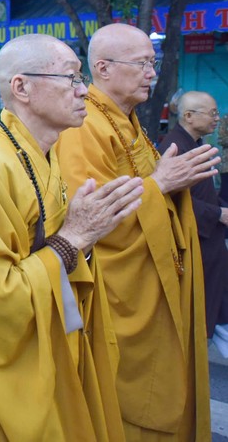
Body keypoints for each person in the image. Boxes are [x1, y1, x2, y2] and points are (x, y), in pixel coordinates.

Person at [0, 34, 143, 441]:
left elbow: (61, 252)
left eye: (81, 77)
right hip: (3, 360)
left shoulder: (43, 155)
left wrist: (84, 238)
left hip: (54, 336)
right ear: (22, 88)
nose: (84, 90)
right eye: (71, 78)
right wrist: (73, 239)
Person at [56, 23, 215, 438]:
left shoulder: (127, 121)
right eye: (143, 63)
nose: (152, 73)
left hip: (155, 278)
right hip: (120, 293)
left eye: (153, 62)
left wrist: (169, 186)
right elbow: (88, 215)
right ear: (103, 68)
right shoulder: (84, 124)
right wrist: (159, 185)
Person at [161, 91, 228, 357]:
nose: (217, 119)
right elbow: (173, 198)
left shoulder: (194, 143)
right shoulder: (174, 146)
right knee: (204, 316)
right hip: (196, 244)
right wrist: (217, 214)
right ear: (188, 116)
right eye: (212, 113)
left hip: (208, 243)